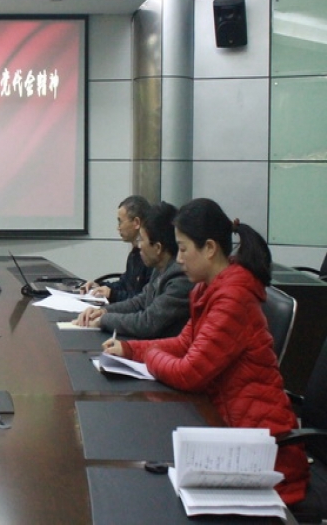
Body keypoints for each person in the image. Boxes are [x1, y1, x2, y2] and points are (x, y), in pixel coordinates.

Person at [102, 198, 309, 505]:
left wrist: (150, 357)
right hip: (227, 428)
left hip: (263, 453)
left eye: (184, 249)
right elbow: (184, 344)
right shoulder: (207, 289)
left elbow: (190, 371)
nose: (179, 259)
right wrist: (131, 348)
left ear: (210, 248)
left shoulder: (233, 297)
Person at [74, 202, 193, 339]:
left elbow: (147, 323)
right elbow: (140, 301)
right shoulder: (161, 268)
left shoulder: (180, 277)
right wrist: (103, 311)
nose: (139, 245)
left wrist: (104, 320)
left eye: (142, 239)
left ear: (158, 248)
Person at [82, 195, 152, 301]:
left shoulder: (150, 259)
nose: (118, 228)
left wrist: (112, 294)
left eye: (120, 222)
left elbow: (139, 301)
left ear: (136, 222)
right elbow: (124, 284)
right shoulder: (134, 255)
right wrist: (99, 286)